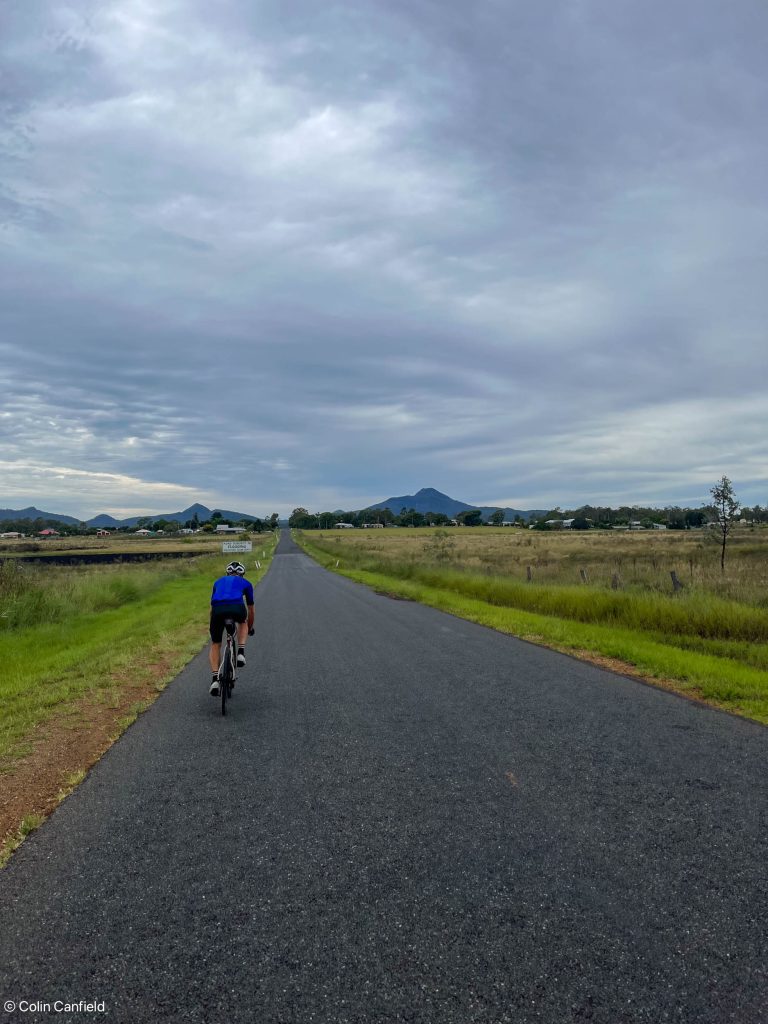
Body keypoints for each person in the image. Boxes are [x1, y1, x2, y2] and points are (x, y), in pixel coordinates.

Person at [208, 561, 255, 696]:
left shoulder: (218, 581)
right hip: (236, 607)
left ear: (227, 573)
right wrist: (249, 627)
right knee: (243, 622)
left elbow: (212, 608)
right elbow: (251, 610)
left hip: (218, 610)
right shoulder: (246, 583)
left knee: (216, 644)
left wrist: (213, 625)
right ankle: (240, 652)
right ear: (242, 574)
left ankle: (215, 679)